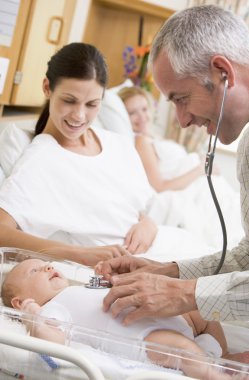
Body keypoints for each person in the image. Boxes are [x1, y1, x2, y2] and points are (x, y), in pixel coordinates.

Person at [96, 5, 249, 326]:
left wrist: (185, 294)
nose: (181, 121)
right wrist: (168, 272)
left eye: (181, 98)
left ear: (223, 72)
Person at [0, 42, 210, 267]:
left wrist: (148, 224)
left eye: (92, 104)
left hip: (166, 243)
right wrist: (77, 254)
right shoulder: (41, 158)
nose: (79, 115)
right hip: (133, 264)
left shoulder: (117, 144)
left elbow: (136, 207)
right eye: (69, 101)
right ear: (47, 88)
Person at [2, 258, 249, 379]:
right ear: (19, 301)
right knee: (182, 349)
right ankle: (217, 375)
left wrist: (110, 276)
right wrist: (32, 315)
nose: (47, 267)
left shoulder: (82, 285)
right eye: (34, 271)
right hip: (144, 337)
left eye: (46, 263)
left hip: (161, 315)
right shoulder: (52, 308)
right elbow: (53, 342)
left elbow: (117, 285)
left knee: (203, 312)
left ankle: (225, 356)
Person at [118, 86, 243, 250]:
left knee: (236, 212)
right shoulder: (141, 142)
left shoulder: (155, 137)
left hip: (202, 184)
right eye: (132, 112)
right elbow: (159, 186)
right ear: (122, 117)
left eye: (143, 109)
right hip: (194, 188)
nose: (141, 117)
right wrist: (201, 169)